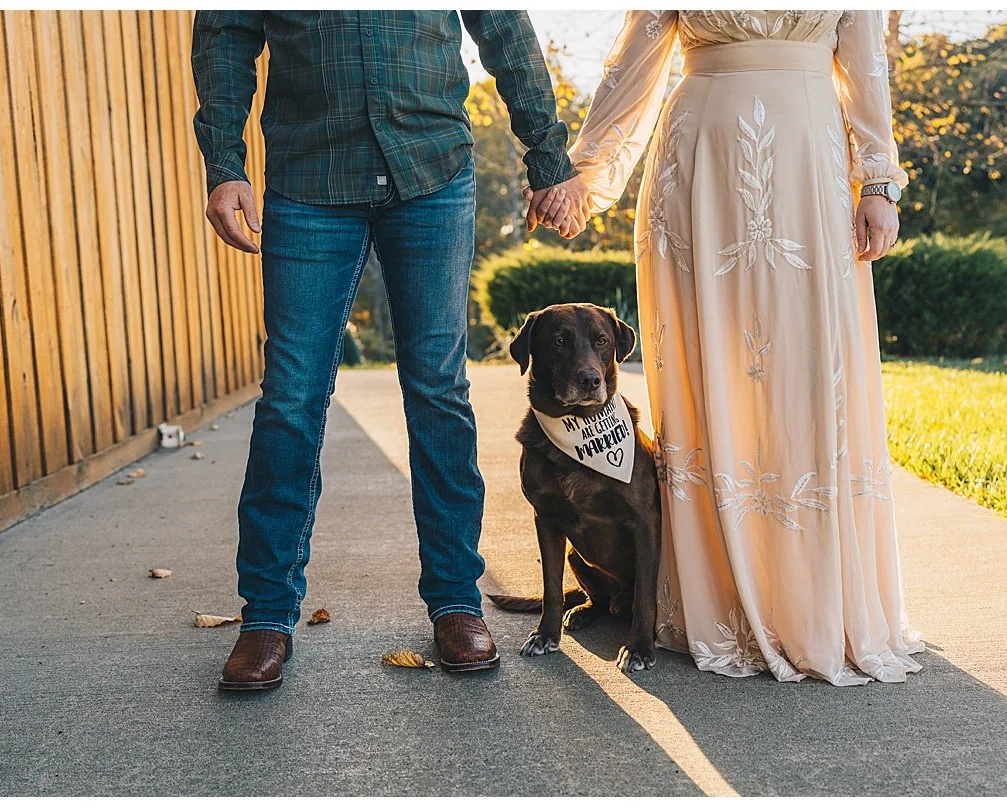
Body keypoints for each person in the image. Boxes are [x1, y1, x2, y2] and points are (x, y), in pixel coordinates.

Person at [530, 11, 924, 685]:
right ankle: (713, 599)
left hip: (808, 163)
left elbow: (865, 61)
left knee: (806, 378)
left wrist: (880, 179)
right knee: (708, 383)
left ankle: (816, 604)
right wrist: (584, 177)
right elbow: (635, 63)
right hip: (696, 169)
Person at [192, 11, 583, 689]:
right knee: (290, 396)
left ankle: (456, 600)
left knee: (437, 388)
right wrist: (225, 164)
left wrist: (548, 157)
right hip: (310, 175)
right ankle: (267, 612)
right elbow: (225, 33)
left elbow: (503, 25)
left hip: (429, 165)